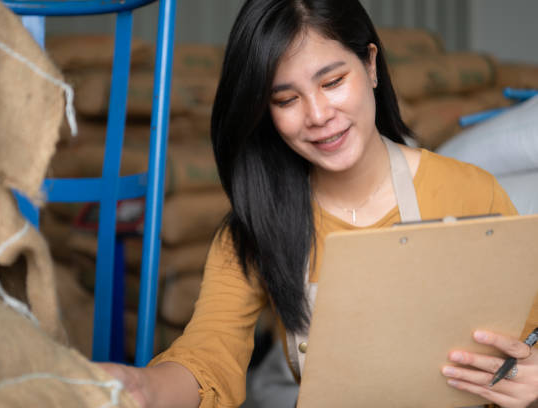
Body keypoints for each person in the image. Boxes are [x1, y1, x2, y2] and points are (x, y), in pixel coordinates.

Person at [99, 0, 538, 407]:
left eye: (332, 82)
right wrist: (141, 388)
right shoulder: (256, 228)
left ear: (370, 65)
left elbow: (528, 340)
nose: (317, 115)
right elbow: (208, 358)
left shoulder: (473, 194)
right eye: (286, 99)